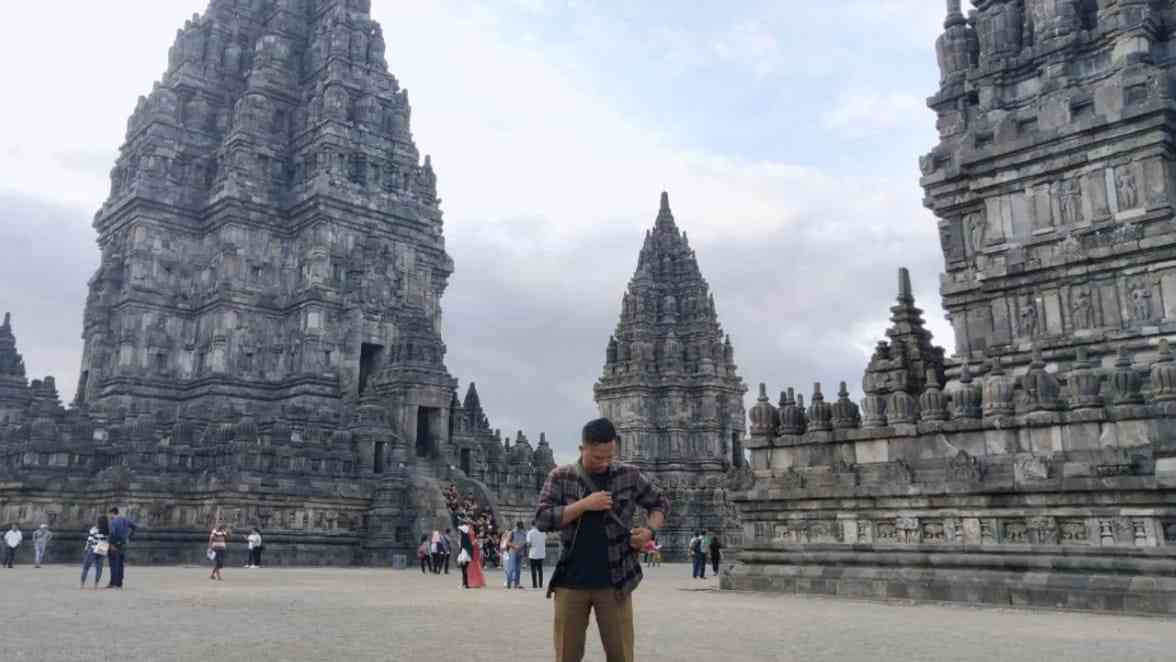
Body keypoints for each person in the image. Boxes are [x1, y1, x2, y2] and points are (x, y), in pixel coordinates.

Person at [535, 417, 670, 662]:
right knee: (566, 654)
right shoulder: (561, 477)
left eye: (610, 456)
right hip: (571, 581)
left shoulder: (629, 475)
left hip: (616, 580)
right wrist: (584, 505)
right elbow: (543, 519)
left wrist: (649, 530)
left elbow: (660, 503)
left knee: (621, 655)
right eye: (597, 457)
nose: (605, 463)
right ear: (582, 449)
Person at [106, 507, 137, 589]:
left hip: (115, 545)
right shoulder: (125, 519)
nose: (109, 516)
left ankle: (113, 583)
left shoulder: (113, 522)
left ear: (112, 513)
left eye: (109, 514)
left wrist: (111, 544)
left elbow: (112, 533)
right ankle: (119, 583)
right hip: (123, 545)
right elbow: (134, 527)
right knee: (120, 564)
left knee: (114, 564)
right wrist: (129, 537)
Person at [81, 516, 109, 589]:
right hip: (102, 548)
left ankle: (82, 584)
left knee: (86, 567)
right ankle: (96, 585)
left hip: (93, 548)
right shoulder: (108, 530)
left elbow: (90, 540)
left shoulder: (94, 529)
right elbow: (108, 540)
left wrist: (86, 548)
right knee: (99, 568)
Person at [526, 520, 547, 589]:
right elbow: (545, 540)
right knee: (540, 569)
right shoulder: (543, 532)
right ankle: (540, 584)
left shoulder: (530, 532)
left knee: (533, 569)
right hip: (541, 553)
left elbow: (528, 543)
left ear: (532, 525)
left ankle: (534, 584)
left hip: (533, 553)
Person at [508, 520, 527, 589]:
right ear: (516, 526)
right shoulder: (512, 532)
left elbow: (525, 543)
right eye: (519, 527)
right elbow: (508, 542)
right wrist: (514, 546)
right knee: (512, 568)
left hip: (520, 552)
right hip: (513, 552)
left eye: (521, 527)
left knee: (518, 569)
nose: (520, 529)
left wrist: (524, 551)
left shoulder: (523, 533)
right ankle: (509, 583)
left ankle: (517, 584)